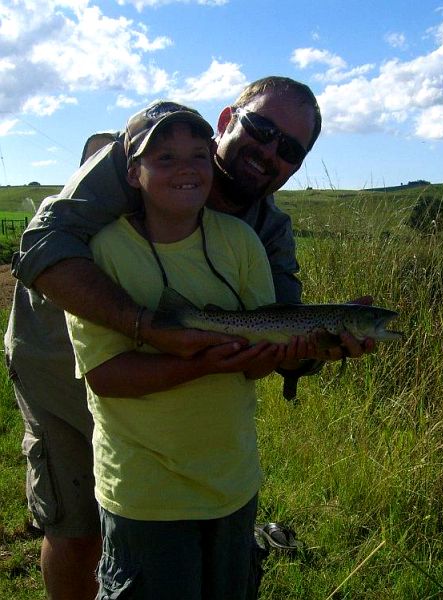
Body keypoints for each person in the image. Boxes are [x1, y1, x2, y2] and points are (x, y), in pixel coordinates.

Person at [4, 76, 373, 599]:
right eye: (261, 129)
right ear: (228, 120)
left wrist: (324, 346)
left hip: (176, 408)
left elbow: (284, 330)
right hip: (57, 354)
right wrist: (150, 328)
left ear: (296, 165)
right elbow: (40, 245)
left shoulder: (264, 232)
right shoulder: (155, 154)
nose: (269, 151)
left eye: (289, 148)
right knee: (78, 527)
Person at [65, 100, 306, 598]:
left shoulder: (244, 241)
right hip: (145, 495)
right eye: (165, 158)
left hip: (232, 484)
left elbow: (258, 354)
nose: (186, 168)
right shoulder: (101, 253)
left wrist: (297, 353)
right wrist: (198, 363)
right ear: (132, 173)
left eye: (197, 156)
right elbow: (106, 377)